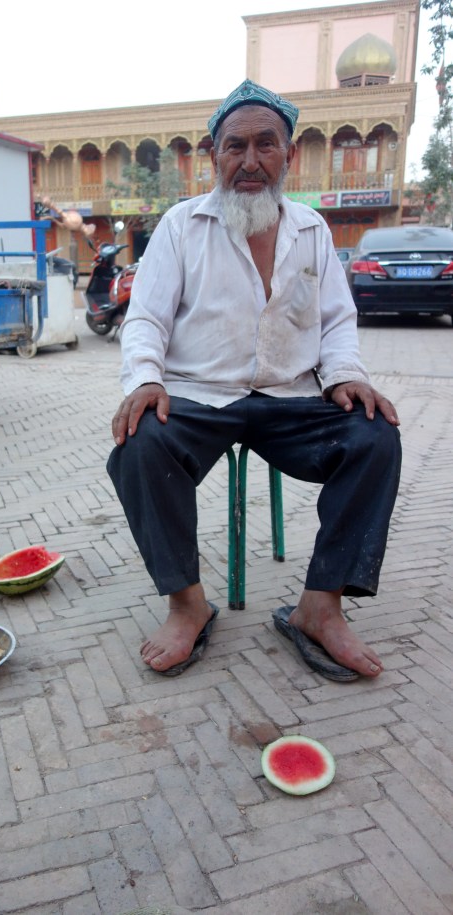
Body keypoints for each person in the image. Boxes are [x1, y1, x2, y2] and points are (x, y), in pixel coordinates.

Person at [106, 79, 402, 682]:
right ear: (213, 157)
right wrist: (144, 379)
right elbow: (147, 319)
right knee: (140, 445)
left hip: (290, 397)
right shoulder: (181, 226)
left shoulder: (313, 231)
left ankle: (320, 607)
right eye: (234, 147)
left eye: (266, 145)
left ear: (288, 155)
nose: (249, 161)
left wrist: (346, 375)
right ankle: (187, 605)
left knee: (377, 436)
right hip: (200, 395)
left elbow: (339, 323)